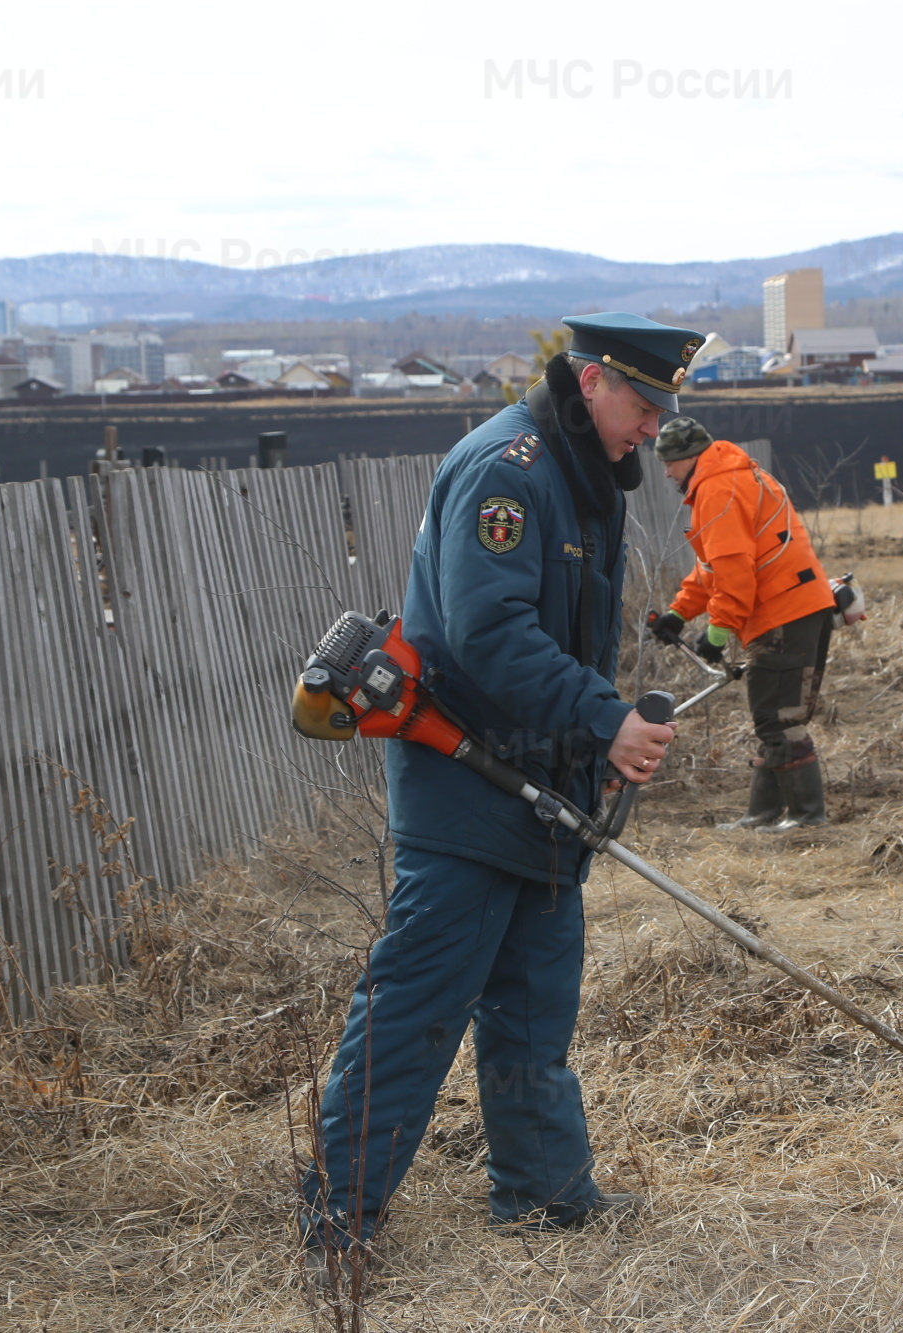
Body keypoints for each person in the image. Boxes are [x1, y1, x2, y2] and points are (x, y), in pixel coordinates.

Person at [303, 312, 701, 1261]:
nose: (653, 427)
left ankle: (545, 1193)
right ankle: (339, 1218)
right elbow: (486, 638)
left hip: (541, 785)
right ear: (594, 380)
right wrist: (604, 717)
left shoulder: (579, 474)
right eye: (644, 405)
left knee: (534, 1002)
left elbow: (557, 639)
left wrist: (591, 740)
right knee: (418, 1002)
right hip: (467, 784)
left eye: (661, 410)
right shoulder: (508, 472)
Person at [647, 418, 836, 831]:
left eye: (669, 463)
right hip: (800, 607)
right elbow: (711, 567)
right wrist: (679, 613)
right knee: (774, 715)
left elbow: (735, 572)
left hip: (782, 613)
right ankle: (763, 814)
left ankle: (806, 818)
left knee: (780, 717)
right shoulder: (729, 477)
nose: (665, 472)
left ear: (688, 458)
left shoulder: (718, 488)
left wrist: (717, 633)